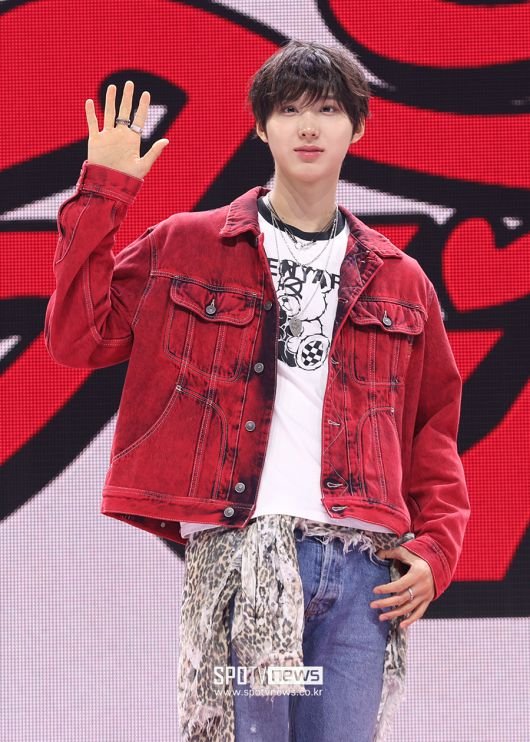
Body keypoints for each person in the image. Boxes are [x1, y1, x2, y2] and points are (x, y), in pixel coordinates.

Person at [45, 40, 470, 742]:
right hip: (247, 566)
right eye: (289, 110)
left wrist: (437, 550)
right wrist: (105, 190)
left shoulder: (401, 278)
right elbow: (77, 336)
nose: (308, 127)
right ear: (261, 128)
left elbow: (434, 430)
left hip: (362, 579)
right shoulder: (188, 244)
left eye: (327, 110)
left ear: (358, 128)